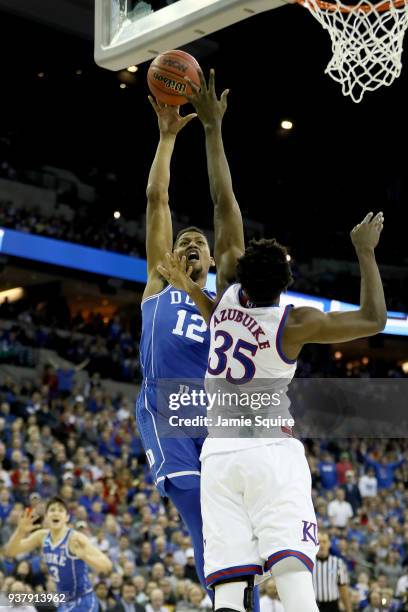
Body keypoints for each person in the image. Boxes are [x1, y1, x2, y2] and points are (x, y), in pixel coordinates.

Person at [157, 211, 386, 612]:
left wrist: (214, 141)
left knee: (228, 589)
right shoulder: (294, 323)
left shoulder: (226, 300)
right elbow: (374, 318)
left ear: (241, 276)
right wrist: (365, 252)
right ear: (285, 284)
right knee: (293, 576)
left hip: (218, 458)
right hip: (269, 452)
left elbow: (224, 205)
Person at [136, 68, 245, 595]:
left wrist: (214, 132)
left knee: (230, 517)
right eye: (186, 239)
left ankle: (236, 591)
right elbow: (159, 200)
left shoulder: (221, 297)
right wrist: (165, 139)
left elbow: (227, 215)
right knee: (198, 508)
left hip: (214, 410)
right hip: (165, 406)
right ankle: (223, 597)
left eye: (199, 241)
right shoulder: (160, 281)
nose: (193, 242)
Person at [3, 497, 112, 611]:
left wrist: (85, 556)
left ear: (67, 517)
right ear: (46, 516)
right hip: (64, 600)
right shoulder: (41, 537)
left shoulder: (75, 538)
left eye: (60, 510)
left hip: (83, 600)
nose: (56, 513)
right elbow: (10, 552)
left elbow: (107, 567)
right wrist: (20, 531)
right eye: (52, 510)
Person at [313, 533, 352, 612]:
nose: (322, 545)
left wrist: (349, 609)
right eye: (319, 542)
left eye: (324, 542)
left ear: (329, 544)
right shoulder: (309, 562)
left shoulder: (338, 563)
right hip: (313, 605)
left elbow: (343, 588)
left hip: (332, 605)